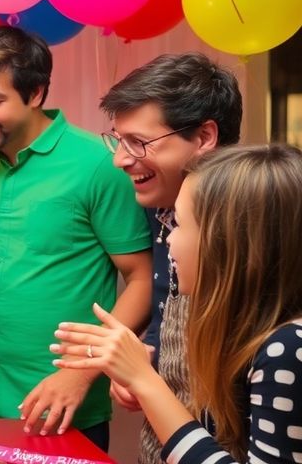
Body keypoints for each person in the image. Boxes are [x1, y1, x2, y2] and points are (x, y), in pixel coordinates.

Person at [0, 25, 153, 450]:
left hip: (68, 401)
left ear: (35, 93)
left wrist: (80, 375)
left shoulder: (98, 162)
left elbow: (143, 280)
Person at [52, 144, 302, 464]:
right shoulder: (226, 324)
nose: (169, 239)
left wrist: (144, 380)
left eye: (180, 225)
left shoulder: (288, 347)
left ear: (227, 244)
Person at [98, 53, 242, 463]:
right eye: (117, 139)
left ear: (203, 137)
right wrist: (148, 361)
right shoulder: (157, 206)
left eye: (138, 142)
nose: (120, 159)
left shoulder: (253, 230)